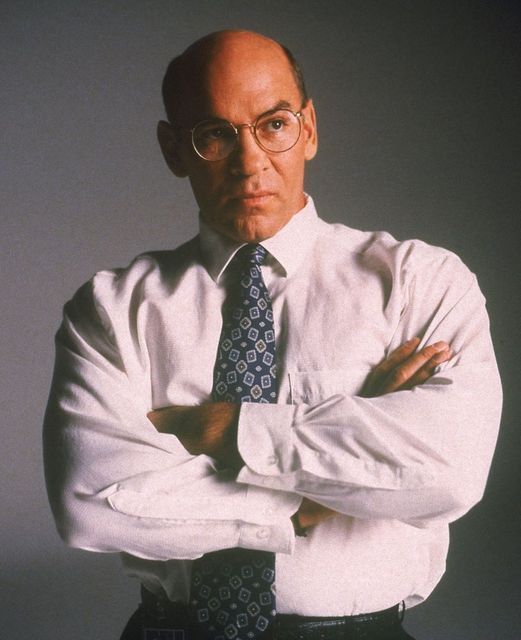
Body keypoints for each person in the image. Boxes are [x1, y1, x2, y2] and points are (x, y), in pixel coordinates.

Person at [43, 30, 502, 640]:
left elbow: (447, 471)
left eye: (274, 124)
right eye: (214, 135)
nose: (251, 160)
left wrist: (228, 431)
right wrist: (318, 493)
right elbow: (90, 501)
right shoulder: (112, 307)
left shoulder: (419, 281)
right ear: (173, 149)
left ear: (309, 128)